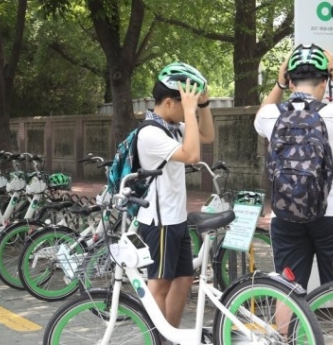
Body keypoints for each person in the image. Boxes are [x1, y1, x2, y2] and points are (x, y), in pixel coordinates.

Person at [254, 44, 333, 336]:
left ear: (290, 81)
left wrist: (278, 84)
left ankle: (286, 342)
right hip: (332, 213)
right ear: (324, 81)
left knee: (287, 285)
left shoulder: (269, 116)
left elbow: (259, 116)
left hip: (286, 215)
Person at [136, 62, 215, 335]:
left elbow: (207, 136)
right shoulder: (150, 133)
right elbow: (193, 155)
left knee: (183, 279)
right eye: (184, 105)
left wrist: (201, 107)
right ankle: (154, 340)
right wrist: (191, 112)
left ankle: (170, 337)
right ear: (169, 102)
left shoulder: (171, 127)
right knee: (159, 285)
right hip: (159, 222)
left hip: (176, 219)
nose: (186, 113)